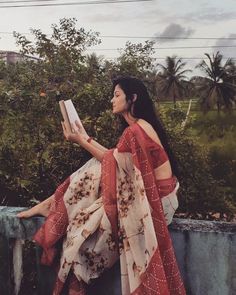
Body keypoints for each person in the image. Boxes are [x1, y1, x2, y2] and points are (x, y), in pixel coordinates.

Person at [18, 76, 186, 295]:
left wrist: (81, 140)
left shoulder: (135, 132)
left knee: (82, 240)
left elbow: (112, 161)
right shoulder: (139, 127)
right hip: (162, 197)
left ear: (132, 98)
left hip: (157, 204)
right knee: (97, 170)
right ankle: (53, 203)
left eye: (117, 95)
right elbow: (113, 159)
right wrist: (83, 137)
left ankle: (53, 204)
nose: (111, 100)